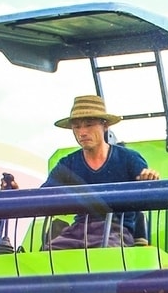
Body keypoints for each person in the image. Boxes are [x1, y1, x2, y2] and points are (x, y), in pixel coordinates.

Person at [40, 95, 160, 249]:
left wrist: (149, 181)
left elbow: (150, 194)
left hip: (117, 231)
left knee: (105, 253)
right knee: (49, 253)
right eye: (77, 127)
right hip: (78, 231)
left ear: (105, 126)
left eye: (89, 125)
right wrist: (15, 192)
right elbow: (42, 196)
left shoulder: (129, 159)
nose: (82, 132)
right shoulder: (68, 163)